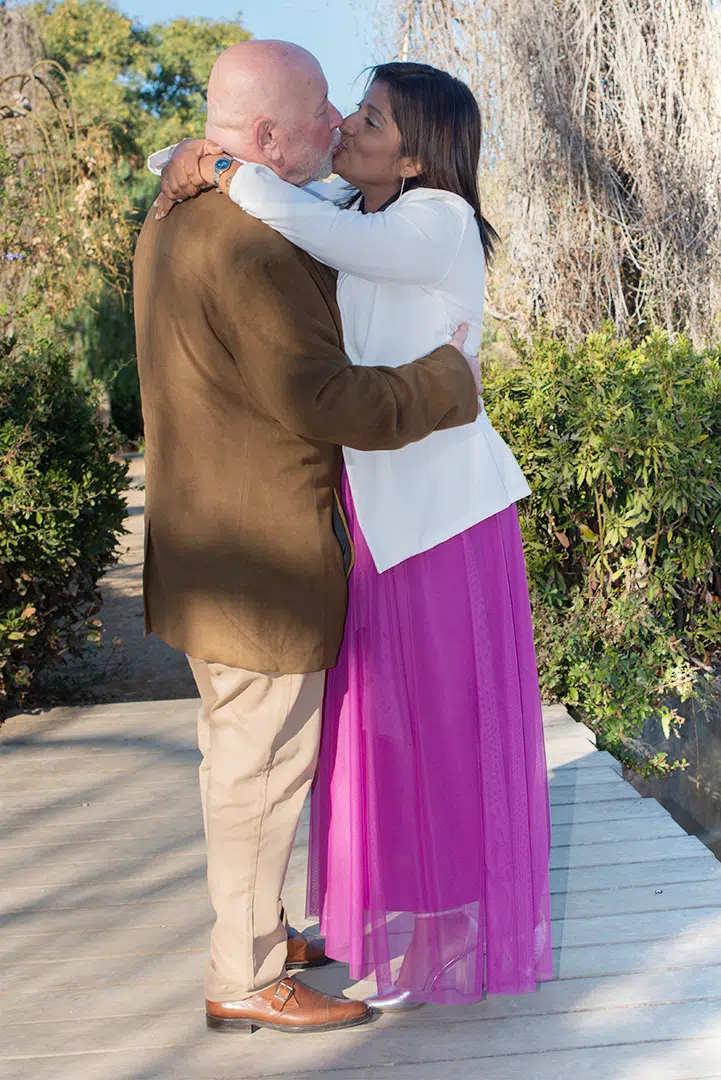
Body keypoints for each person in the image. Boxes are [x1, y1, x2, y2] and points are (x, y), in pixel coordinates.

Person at [134, 42, 480, 1035]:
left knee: (244, 761)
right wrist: (445, 383)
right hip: (257, 559)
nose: (338, 121)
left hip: (210, 546)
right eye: (323, 108)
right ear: (270, 138)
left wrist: (182, 151)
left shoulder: (178, 215)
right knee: (257, 769)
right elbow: (322, 398)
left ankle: (259, 929)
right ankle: (243, 972)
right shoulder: (246, 243)